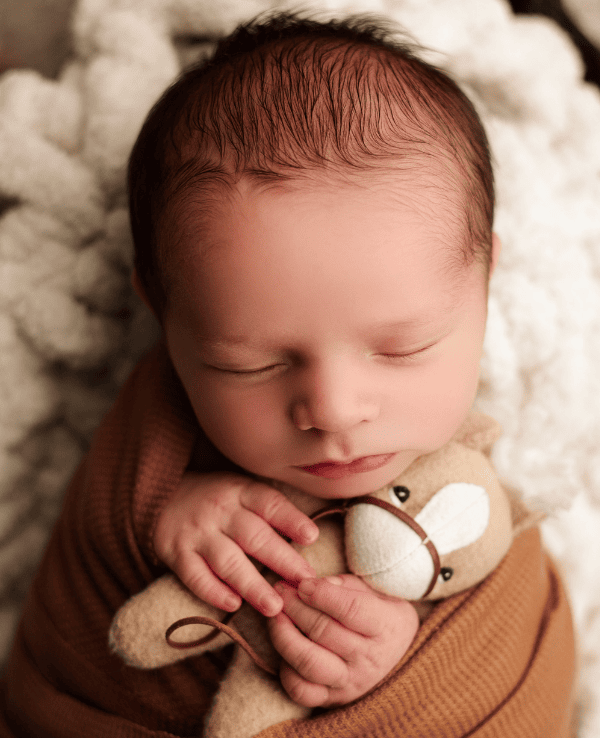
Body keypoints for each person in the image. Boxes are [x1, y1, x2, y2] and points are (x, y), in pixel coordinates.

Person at [0, 10, 575, 737]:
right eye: (253, 364)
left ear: (486, 278)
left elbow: (507, 636)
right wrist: (160, 516)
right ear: (164, 315)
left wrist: (393, 650)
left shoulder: (474, 496)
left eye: (401, 347)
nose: (333, 409)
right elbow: (85, 614)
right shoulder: (159, 444)